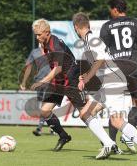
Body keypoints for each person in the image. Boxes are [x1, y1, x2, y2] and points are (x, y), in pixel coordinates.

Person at [73, 12, 137, 162]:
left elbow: (101, 60)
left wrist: (87, 77)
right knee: (90, 114)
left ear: (75, 28)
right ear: (88, 25)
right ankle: (110, 144)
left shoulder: (91, 40)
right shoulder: (90, 40)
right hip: (111, 82)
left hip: (113, 82)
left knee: (107, 119)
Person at [31, 18, 119, 158]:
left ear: (47, 32)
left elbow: (58, 68)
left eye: (38, 34)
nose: (37, 37)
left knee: (86, 113)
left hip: (71, 81)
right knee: (45, 111)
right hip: (59, 82)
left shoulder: (55, 45)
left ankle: (107, 143)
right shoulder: (45, 44)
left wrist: (43, 81)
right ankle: (64, 136)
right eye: (35, 34)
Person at [99, 0, 137, 152]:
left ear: (115, 9)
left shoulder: (107, 26)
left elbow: (100, 50)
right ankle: (128, 134)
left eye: (110, 10)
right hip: (133, 68)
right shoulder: (136, 23)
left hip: (115, 70)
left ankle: (110, 142)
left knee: (114, 110)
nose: (110, 13)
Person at [19, 44, 69, 147]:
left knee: (46, 108)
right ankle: (51, 128)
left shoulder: (53, 50)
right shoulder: (35, 52)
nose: (40, 40)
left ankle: (40, 127)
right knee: (43, 107)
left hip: (53, 82)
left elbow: (61, 65)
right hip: (39, 81)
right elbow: (29, 66)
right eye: (37, 37)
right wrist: (24, 82)